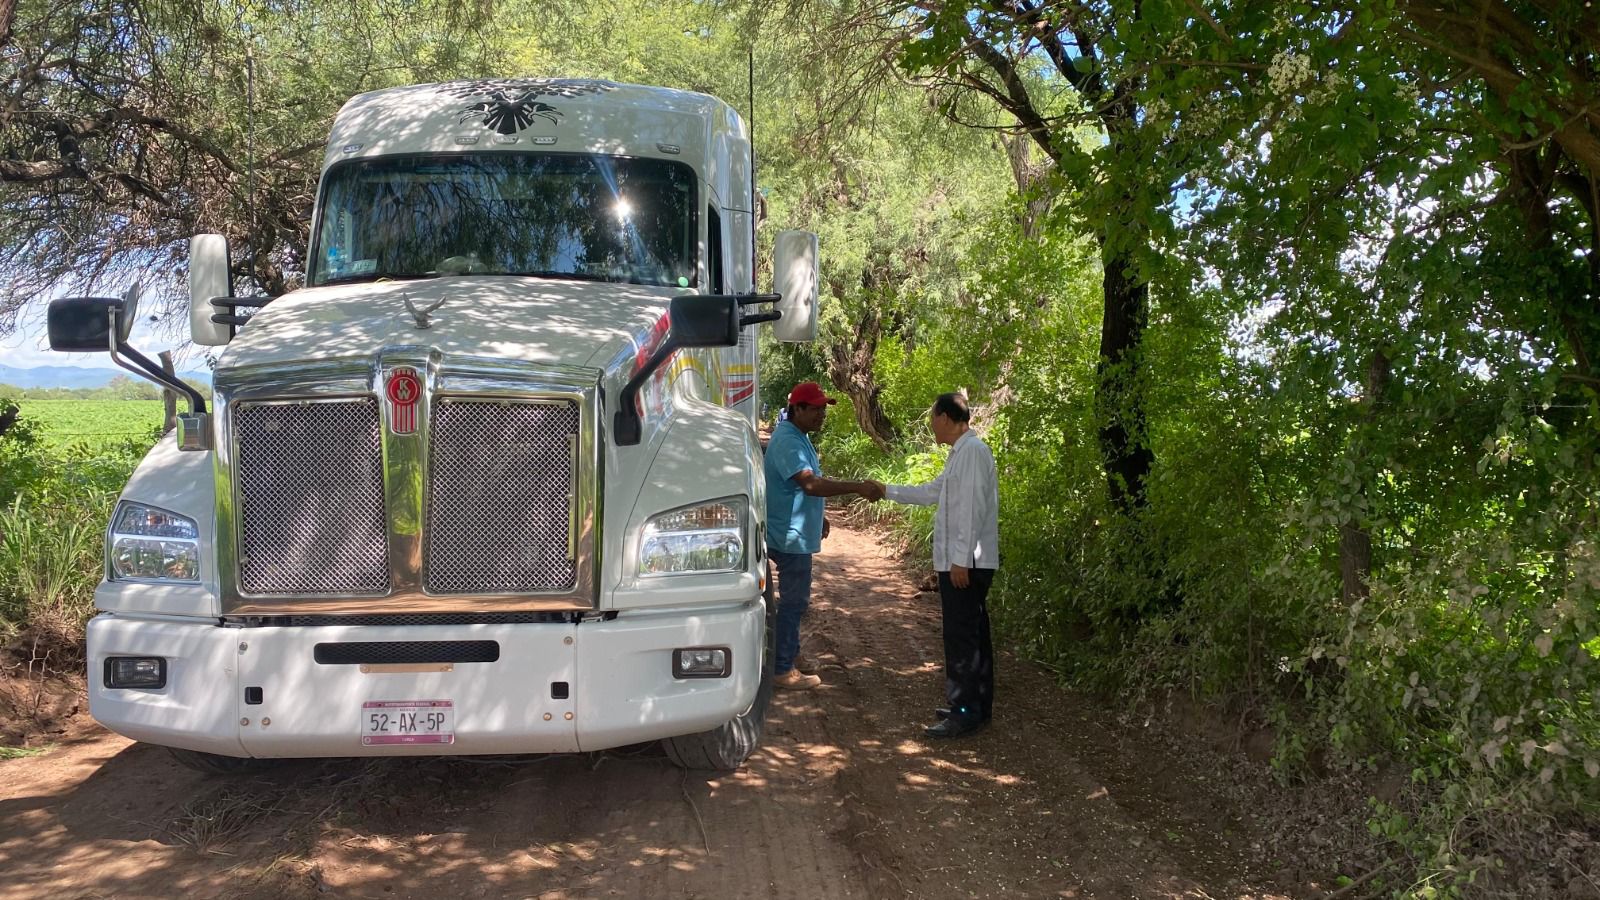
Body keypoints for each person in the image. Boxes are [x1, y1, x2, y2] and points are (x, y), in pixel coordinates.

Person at [869, 392, 999, 738]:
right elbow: (931, 493)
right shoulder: (961, 455)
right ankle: (976, 705)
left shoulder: (972, 452)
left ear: (945, 416)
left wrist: (960, 560)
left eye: (933, 417)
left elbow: (971, 508)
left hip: (966, 564)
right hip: (966, 561)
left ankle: (963, 712)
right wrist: (886, 490)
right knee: (973, 633)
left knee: (961, 637)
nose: (931, 425)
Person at [764, 381, 880, 690]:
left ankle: (790, 655)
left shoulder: (796, 436)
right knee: (794, 603)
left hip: (792, 530)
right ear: (797, 409)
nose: (821, 415)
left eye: (823, 409)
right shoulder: (789, 441)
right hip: (789, 537)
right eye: (815, 409)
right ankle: (782, 669)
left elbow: (798, 488)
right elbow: (810, 484)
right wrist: (856, 486)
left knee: (791, 602)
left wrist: (819, 517)